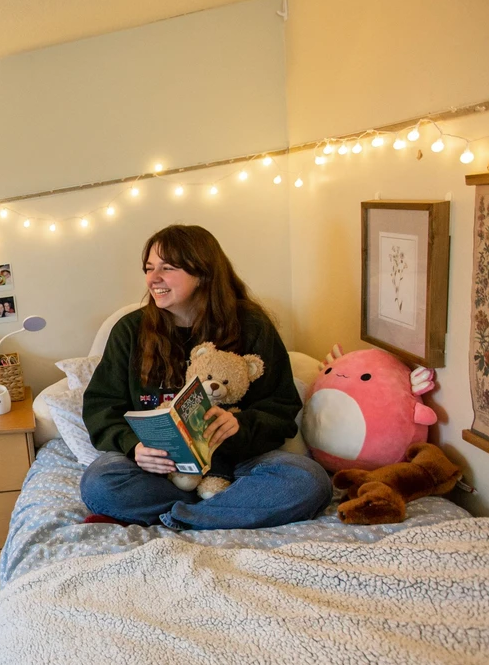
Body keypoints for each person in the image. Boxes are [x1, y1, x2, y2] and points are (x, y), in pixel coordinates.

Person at [80, 224, 329, 530]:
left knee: (309, 481)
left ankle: (183, 517)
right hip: (160, 470)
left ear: (203, 273)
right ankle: (226, 510)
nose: (153, 278)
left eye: (167, 268)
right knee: (99, 482)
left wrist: (241, 425)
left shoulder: (252, 326)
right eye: (149, 268)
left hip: (238, 465)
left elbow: (281, 409)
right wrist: (135, 448)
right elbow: (100, 407)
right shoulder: (130, 331)